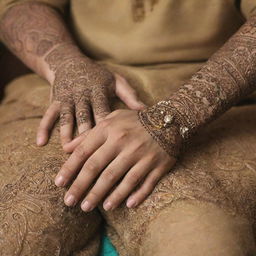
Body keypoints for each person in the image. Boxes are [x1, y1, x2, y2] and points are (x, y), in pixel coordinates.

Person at [0, 0, 256, 255]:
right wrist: (67, 65)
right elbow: (20, 6)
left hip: (218, 103)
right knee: (18, 226)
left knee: (203, 238)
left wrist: (176, 116)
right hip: (56, 90)